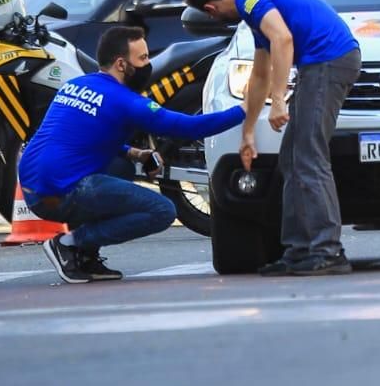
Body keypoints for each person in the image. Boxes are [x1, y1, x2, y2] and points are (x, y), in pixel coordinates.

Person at [19, 26, 245, 284]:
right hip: (61, 193)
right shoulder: (127, 102)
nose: (148, 65)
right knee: (161, 210)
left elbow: (84, 137)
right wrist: (247, 108)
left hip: (34, 186)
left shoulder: (75, 84)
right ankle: (70, 244)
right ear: (121, 64)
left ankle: (84, 255)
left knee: (123, 168)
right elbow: (191, 127)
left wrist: (135, 153)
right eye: (143, 59)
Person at [186, 0, 362, 276]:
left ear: (210, 10)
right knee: (292, 158)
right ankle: (298, 251)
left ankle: (327, 251)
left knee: (308, 157)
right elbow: (260, 74)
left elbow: (283, 38)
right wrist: (248, 133)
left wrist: (279, 99)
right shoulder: (254, 8)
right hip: (322, 63)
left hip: (327, 62)